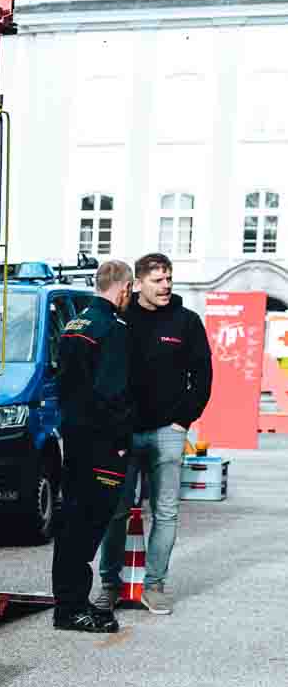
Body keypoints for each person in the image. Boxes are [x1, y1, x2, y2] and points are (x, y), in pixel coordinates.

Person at [96, 250, 213, 615]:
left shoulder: (187, 322)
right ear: (138, 284)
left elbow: (203, 376)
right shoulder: (121, 319)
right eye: (158, 280)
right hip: (126, 433)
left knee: (166, 512)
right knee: (115, 511)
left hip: (168, 432)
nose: (166, 286)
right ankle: (109, 585)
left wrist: (183, 421)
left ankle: (155, 585)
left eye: (169, 279)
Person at [50, 257, 134, 632]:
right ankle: (71, 609)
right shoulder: (112, 329)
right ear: (125, 288)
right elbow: (112, 393)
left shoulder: (75, 324)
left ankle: (69, 603)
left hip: (75, 437)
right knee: (87, 527)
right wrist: (121, 442)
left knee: (71, 523)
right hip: (101, 443)